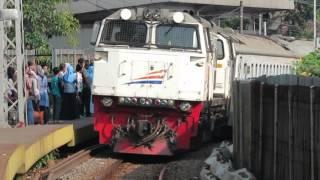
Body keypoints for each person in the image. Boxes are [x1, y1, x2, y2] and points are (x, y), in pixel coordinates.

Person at [25, 60, 39, 125]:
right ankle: (31, 123)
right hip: (29, 94)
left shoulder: (16, 74)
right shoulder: (27, 75)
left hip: (24, 95)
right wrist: (30, 78)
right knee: (30, 109)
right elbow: (29, 85)